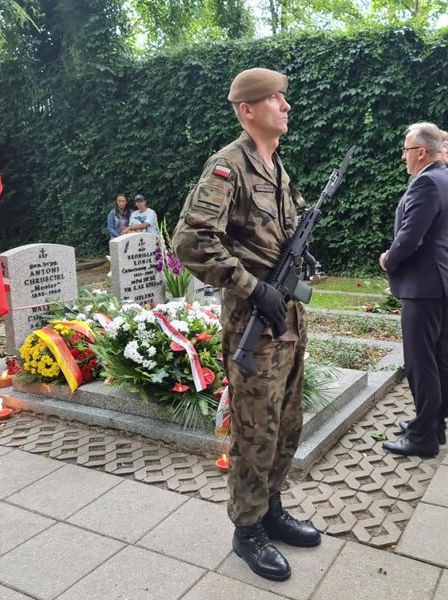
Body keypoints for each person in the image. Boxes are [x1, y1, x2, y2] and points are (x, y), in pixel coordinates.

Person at [173, 67, 319, 583]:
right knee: (255, 429)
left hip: (289, 320)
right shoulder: (227, 168)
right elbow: (190, 242)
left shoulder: (277, 167)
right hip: (257, 319)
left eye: (284, 97)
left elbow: (281, 236)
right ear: (247, 110)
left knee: (286, 424)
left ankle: (271, 508)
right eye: (276, 99)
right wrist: (255, 288)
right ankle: (247, 528)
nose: (286, 106)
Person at [379, 122, 448, 458]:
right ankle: (434, 423)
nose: (403, 156)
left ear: (422, 152)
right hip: (442, 282)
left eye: (406, 149)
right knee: (440, 356)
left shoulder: (427, 181)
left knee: (420, 361)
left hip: (425, 285)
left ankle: (424, 436)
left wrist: (388, 259)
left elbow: (411, 237)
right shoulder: (444, 177)